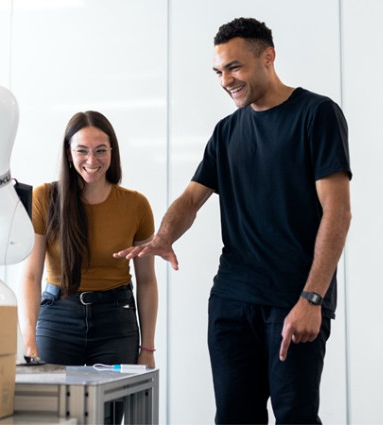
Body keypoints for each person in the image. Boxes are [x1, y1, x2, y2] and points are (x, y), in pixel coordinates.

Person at [114, 17, 352, 424]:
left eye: (234, 67)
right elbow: (191, 198)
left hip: (294, 299)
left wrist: (313, 298)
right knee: (233, 416)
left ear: (268, 57)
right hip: (232, 299)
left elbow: (338, 211)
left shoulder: (316, 114)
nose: (225, 80)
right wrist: (164, 236)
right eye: (219, 71)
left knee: (295, 416)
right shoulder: (227, 131)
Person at [18, 110, 158, 373]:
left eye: (100, 150)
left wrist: (147, 349)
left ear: (112, 152)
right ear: (69, 153)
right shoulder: (44, 197)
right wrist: (28, 341)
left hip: (115, 320)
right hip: (58, 316)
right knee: (52, 398)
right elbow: (31, 276)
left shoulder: (136, 205)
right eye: (82, 151)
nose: (92, 160)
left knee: (112, 400)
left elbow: (147, 280)